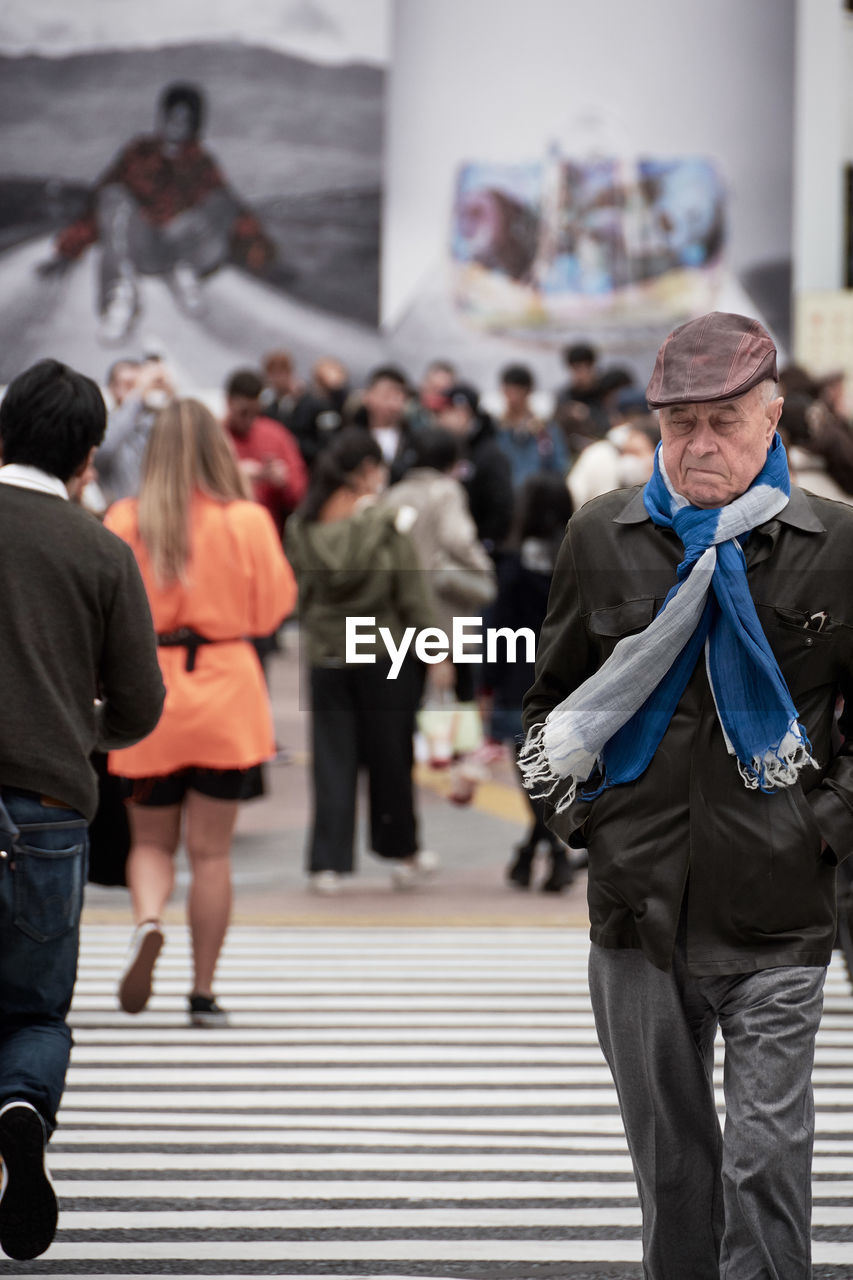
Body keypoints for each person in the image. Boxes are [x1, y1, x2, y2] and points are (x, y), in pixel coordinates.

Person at [521, 311, 853, 1279]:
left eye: (722, 421)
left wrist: (821, 825)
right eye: (678, 425)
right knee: (671, 1174)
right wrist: (587, 823)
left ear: (772, 417)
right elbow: (547, 707)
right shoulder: (603, 533)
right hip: (637, 908)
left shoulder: (836, 541)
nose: (699, 445)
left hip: (779, 908)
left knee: (765, 1164)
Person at [0, 358, 164, 1260]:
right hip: (49, 808)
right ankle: (21, 1105)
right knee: (31, 1011)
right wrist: (69, 720)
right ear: (89, 457)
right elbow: (138, 708)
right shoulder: (101, 549)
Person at [105, 399, 296, 1026]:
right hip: (226, 691)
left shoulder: (125, 519)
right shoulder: (246, 520)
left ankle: (149, 920)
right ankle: (203, 992)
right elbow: (271, 610)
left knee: (151, 842)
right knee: (211, 854)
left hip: (149, 694)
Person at [286, 428, 438, 895]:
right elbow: (410, 594)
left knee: (332, 760)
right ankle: (403, 855)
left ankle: (326, 864)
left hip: (328, 652)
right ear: (366, 473)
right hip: (382, 653)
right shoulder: (389, 524)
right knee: (390, 758)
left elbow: (304, 596)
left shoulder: (301, 527)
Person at [39, 82, 275, 345]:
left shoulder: (201, 162)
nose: (176, 125)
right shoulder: (138, 153)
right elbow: (99, 205)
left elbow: (235, 211)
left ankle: (185, 273)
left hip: (182, 246)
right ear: (162, 117)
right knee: (113, 195)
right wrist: (67, 250)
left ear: (194, 124)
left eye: (184, 119)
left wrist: (261, 254)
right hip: (142, 245)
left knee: (221, 201)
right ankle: (120, 298)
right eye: (171, 117)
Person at [482, 472, 574, 893]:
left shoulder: (514, 563)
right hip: (571, 681)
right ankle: (539, 851)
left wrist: (485, 684)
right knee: (551, 776)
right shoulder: (579, 560)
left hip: (520, 681)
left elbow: (496, 628)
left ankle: (547, 852)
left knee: (531, 775)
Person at [381, 427, 496, 702]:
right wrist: (483, 566)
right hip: (444, 607)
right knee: (457, 698)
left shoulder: (393, 494)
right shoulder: (447, 491)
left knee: (407, 694)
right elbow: (458, 538)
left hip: (401, 608)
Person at [223, 368, 308, 537]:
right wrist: (233, 475)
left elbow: (301, 494)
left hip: (268, 536)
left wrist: (284, 482)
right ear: (229, 402)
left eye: (255, 413)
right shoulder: (213, 437)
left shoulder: (276, 435)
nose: (249, 420)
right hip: (225, 534)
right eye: (243, 413)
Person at [436, 382, 514, 552]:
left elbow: (501, 508)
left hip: (479, 550)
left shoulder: (489, 455)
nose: (439, 420)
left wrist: (485, 545)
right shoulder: (454, 449)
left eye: (444, 413)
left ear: (462, 413)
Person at [96, 353, 177, 505]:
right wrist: (137, 396)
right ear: (112, 388)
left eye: (138, 384)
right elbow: (103, 450)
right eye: (129, 385)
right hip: (120, 516)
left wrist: (171, 393)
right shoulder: (105, 424)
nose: (137, 389)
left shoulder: (154, 422)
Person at [495, 363, 568, 489]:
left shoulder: (545, 429)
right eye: (508, 391)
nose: (512, 398)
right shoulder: (497, 429)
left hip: (537, 495)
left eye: (517, 392)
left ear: (527, 392)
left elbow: (560, 466)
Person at [350, 365, 418, 484]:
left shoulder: (413, 441)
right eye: (386, 396)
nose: (393, 404)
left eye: (399, 397)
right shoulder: (350, 438)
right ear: (367, 396)